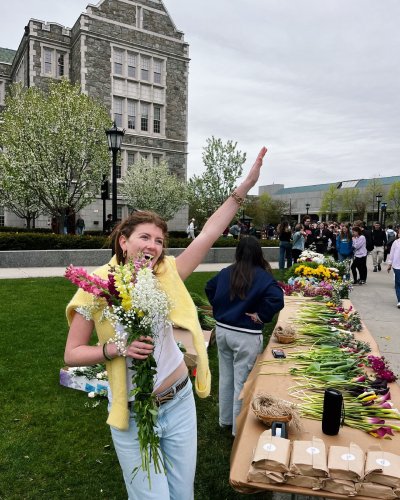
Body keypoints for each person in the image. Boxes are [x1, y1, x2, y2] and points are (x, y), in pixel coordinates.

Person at [64, 147, 268, 500]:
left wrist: (244, 188)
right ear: (124, 241)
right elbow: (72, 353)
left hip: (178, 402)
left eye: (159, 240)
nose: (154, 246)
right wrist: (116, 349)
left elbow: (207, 235)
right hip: (131, 410)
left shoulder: (166, 274)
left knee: (181, 494)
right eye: (145, 237)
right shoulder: (96, 286)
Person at [204, 236, 284, 436]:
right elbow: (277, 298)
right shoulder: (263, 277)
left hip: (223, 331)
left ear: (238, 252)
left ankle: (226, 420)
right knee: (242, 381)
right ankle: (238, 429)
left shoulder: (227, 272)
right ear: (259, 253)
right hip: (245, 335)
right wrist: (261, 315)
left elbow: (209, 287)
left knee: (226, 377)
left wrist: (220, 307)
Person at [387, 226, 400, 308]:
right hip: (397, 266)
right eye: (399, 232)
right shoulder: (396, 242)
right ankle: (399, 300)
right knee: (398, 283)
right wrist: (389, 264)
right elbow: (392, 254)